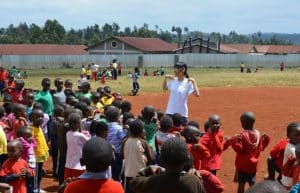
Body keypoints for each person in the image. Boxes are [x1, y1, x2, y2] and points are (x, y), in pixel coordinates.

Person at [130, 137, 206, 193]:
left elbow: (134, 182)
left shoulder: (154, 181)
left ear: (162, 160)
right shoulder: (194, 181)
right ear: (187, 159)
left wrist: (149, 169)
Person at [230, 112, 270, 193]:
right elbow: (261, 148)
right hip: (253, 166)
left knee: (241, 184)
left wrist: (233, 140)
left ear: (244, 123)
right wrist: (267, 139)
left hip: (242, 165)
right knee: (252, 183)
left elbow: (239, 149)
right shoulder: (258, 134)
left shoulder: (242, 135)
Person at [123, 119, 154, 193]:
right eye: (143, 129)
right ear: (140, 132)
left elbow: (122, 155)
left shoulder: (125, 141)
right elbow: (151, 158)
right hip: (141, 176)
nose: (144, 131)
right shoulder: (143, 142)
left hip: (128, 175)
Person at [64, 113, 90, 180]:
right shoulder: (79, 136)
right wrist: (88, 134)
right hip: (79, 166)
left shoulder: (68, 133)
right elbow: (89, 142)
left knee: (68, 185)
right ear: (78, 124)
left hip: (69, 164)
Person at [30, 108, 49, 193]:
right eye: (38, 117)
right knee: (35, 176)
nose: (41, 118)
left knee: (39, 175)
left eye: (42, 116)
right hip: (36, 157)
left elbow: (42, 142)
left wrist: (46, 152)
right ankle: (35, 190)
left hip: (40, 156)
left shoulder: (39, 128)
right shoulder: (31, 130)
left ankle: (37, 188)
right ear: (31, 118)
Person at [105, 106, 126, 181]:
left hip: (106, 153)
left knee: (108, 174)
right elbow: (124, 139)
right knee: (117, 176)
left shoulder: (105, 126)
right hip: (117, 155)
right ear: (118, 118)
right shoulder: (119, 128)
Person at [16, 126, 37, 193]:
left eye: (31, 135)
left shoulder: (30, 144)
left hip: (31, 168)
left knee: (31, 183)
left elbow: (35, 145)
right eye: (28, 136)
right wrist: (21, 139)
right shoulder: (22, 145)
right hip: (26, 168)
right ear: (21, 138)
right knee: (27, 184)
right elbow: (27, 146)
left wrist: (32, 138)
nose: (30, 138)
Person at [282, 122, 300, 189]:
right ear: (288, 136)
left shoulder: (295, 144)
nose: (299, 137)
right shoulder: (291, 149)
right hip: (289, 179)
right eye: (296, 135)